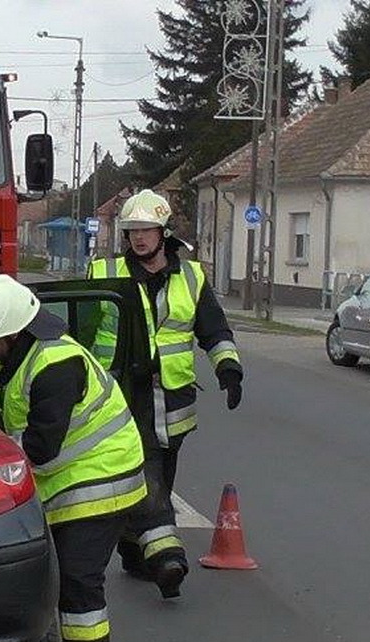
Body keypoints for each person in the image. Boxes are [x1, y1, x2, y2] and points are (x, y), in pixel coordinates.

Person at [0, 274, 147, 642]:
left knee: (79, 579)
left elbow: (41, 448)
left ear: (15, 332)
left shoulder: (56, 365)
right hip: (67, 480)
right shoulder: (20, 357)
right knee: (61, 576)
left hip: (100, 478)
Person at [89, 189, 243, 598]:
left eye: (146, 230)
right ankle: (165, 557)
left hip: (173, 400)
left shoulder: (191, 276)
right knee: (147, 472)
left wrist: (228, 369)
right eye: (132, 231)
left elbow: (213, 328)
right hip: (122, 393)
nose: (138, 238)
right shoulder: (104, 273)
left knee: (163, 472)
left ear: (163, 232)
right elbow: (82, 333)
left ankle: (133, 549)